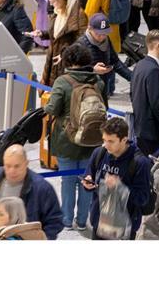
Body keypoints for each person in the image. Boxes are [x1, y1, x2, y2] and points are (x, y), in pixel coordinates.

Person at [44, 42, 106, 231]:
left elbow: (52, 109)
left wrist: (44, 108)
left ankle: (66, 220)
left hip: (67, 139)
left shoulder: (63, 82)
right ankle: (81, 221)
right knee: (87, 180)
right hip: (93, 139)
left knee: (68, 181)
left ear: (68, 61)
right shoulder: (98, 82)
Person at [0, 144, 63, 240]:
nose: (12, 171)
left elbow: (55, 221)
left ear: (26, 163)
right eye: (8, 166)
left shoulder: (42, 188)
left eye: (17, 166)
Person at [81, 116, 153, 240]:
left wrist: (119, 187)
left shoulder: (140, 163)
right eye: (104, 140)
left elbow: (142, 199)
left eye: (111, 141)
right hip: (99, 224)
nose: (106, 145)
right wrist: (87, 183)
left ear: (124, 139)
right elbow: (89, 179)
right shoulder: (99, 153)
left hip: (124, 228)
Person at [130, 30, 159, 158]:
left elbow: (132, 94)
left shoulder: (140, 65)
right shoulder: (153, 70)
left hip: (141, 128)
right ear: (158, 45)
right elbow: (157, 103)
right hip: (154, 132)